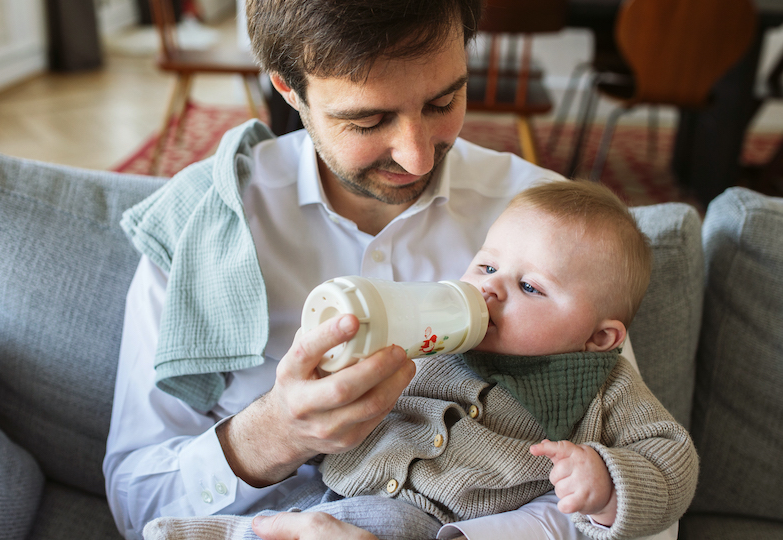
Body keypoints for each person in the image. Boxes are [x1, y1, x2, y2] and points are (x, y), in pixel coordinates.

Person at [102, 1, 676, 539]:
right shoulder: (207, 225)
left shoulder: (551, 230)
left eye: (443, 102)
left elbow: (642, 509)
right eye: (369, 120)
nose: (418, 156)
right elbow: (137, 507)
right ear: (287, 86)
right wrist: (275, 433)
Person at [140, 181, 698, 540]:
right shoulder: (442, 339)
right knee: (304, 512)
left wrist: (606, 483)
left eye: (530, 287)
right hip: (344, 487)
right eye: (485, 268)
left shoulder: (606, 387)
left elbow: (674, 458)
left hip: (433, 521)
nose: (494, 290)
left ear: (600, 338)